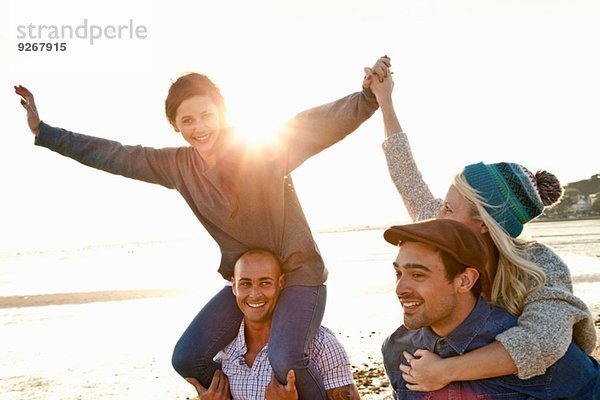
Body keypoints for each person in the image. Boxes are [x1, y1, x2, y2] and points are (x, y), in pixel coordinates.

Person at [14, 57, 388, 399]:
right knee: (187, 356)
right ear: (175, 125)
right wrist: (44, 131)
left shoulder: (259, 148)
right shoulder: (177, 166)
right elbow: (114, 154)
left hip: (298, 273)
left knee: (286, 357)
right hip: (247, 282)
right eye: (187, 120)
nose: (198, 128)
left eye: (206, 115)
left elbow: (316, 125)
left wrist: (367, 98)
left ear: (222, 114)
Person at [364, 59, 597, 390]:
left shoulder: (540, 265)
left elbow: (542, 342)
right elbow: (406, 174)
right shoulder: (447, 232)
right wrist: (384, 98)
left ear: (484, 223)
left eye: (448, 207)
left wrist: (446, 371)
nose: (436, 215)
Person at [381, 218, 600, 399]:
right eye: (398, 273)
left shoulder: (527, 350)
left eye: (418, 275)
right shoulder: (396, 348)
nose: (400, 288)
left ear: (464, 281)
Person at [185, 249, 361, 400]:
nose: (255, 294)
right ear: (233, 287)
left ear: (281, 283)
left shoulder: (322, 345)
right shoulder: (223, 349)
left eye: (265, 283)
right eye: (245, 283)